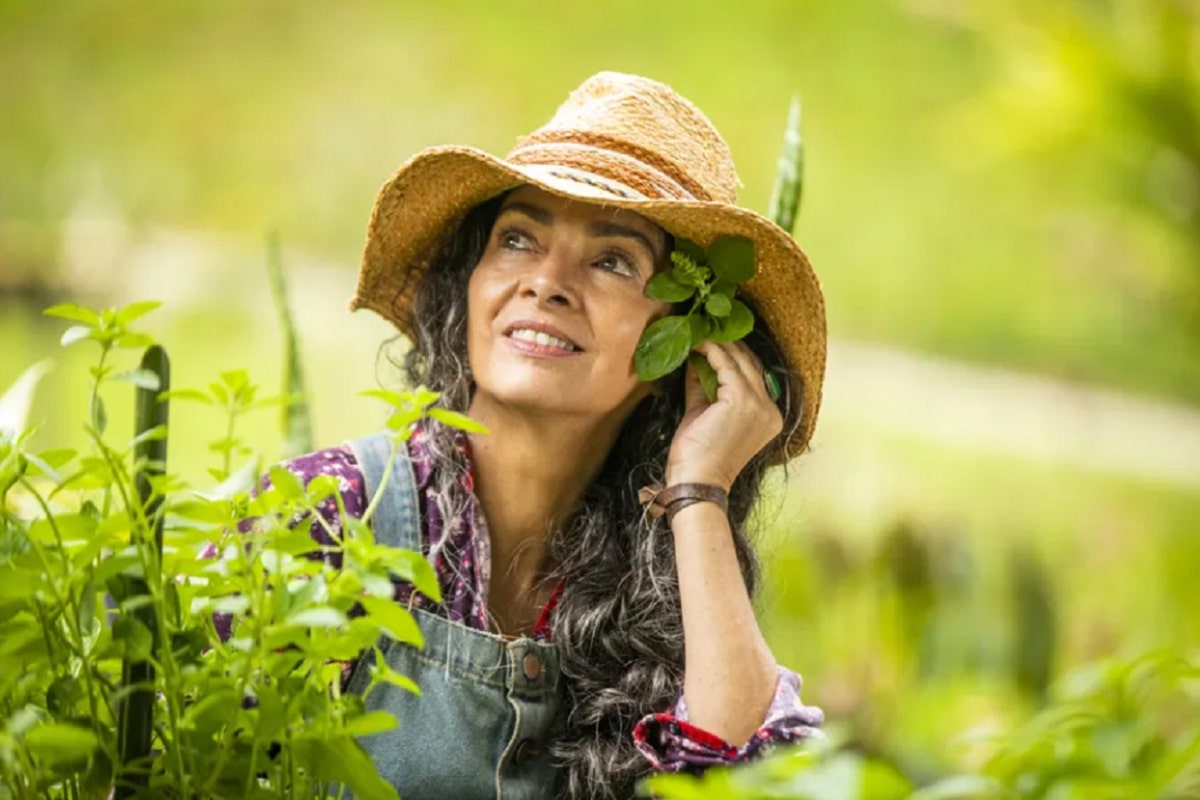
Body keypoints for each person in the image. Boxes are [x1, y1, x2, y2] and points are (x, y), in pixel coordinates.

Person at [273, 72, 827, 800]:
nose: (547, 282)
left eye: (611, 260)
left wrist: (700, 487)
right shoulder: (328, 514)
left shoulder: (661, 585)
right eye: (517, 239)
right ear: (468, 285)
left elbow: (752, 784)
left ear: (681, 348)